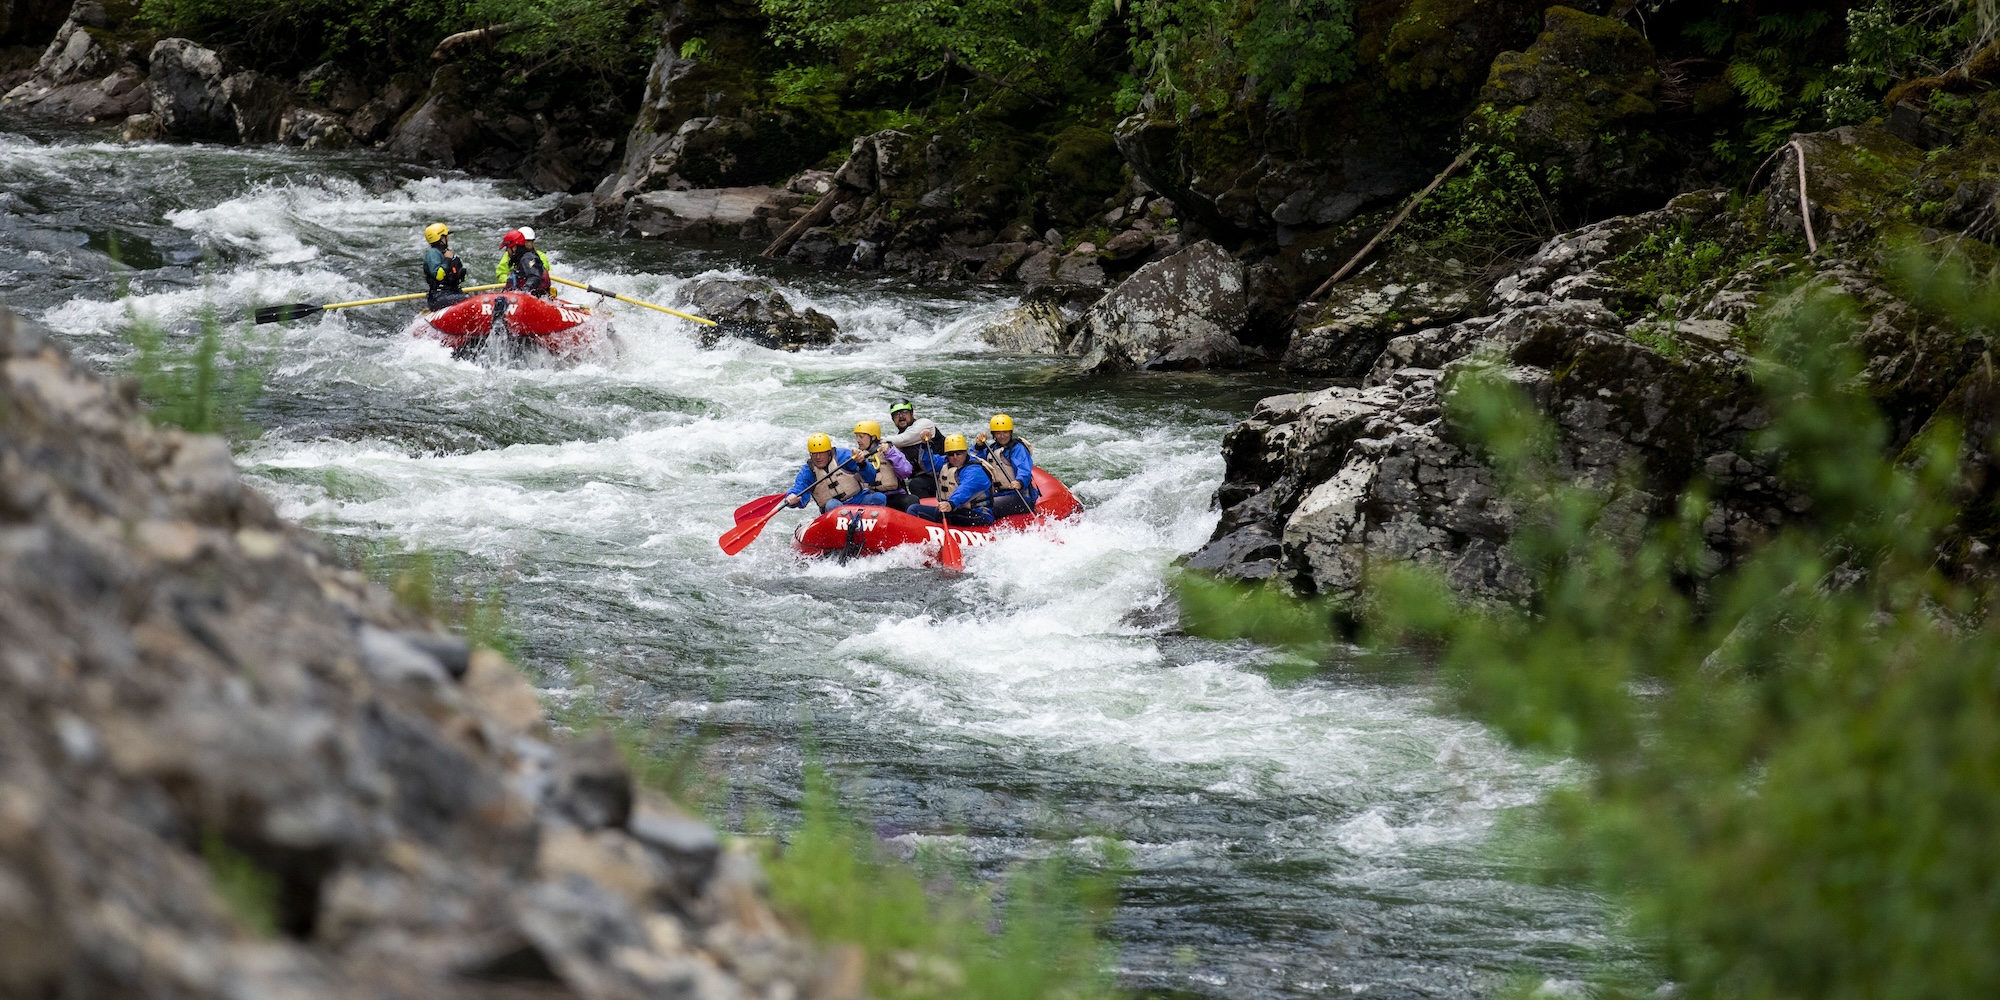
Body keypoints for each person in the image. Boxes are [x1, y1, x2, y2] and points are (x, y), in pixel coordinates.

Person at [908, 433, 996, 528]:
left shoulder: (975, 471)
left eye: (959, 453)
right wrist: (925, 446)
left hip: (978, 514)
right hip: (952, 509)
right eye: (951, 454)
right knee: (914, 509)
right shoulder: (946, 462)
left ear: (965, 452)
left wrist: (951, 504)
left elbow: (965, 489)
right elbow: (928, 464)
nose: (955, 457)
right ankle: (916, 534)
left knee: (947, 515)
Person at [785, 433, 884, 513]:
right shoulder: (809, 470)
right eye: (814, 454)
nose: (818, 457)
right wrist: (791, 498)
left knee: (879, 498)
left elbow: (871, 477)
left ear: (829, 452)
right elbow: (799, 488)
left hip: (858, 500)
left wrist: (862, 463)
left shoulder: (844, 456)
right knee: (832, 504)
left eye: (821, 453)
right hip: (834, 510)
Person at [973, 413, 1038, 517]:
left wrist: (1019, 482)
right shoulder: (991, 449)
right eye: (998, 433)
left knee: (987, 507)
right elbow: (972, 460)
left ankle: (985, 524)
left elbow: (1024, 469)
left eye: (1005, 432)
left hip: (1019, 496)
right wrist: (978, 446)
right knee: (973, 504)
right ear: (993, 434)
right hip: (999, 493)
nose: (1002, 436)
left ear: (1011, 432)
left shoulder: (1018, 448)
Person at [853, 420, 918, 511]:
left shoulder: (890, 451)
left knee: (912, 500)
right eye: (856, 437)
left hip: (893, 495)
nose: (858, 440)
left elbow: (906, 472)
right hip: (871, 497)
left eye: (861, 437)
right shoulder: (858, 456)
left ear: (873, 437)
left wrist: (890, 453)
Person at [882, 400, 942, 498]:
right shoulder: (895, 441)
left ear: (912, 413)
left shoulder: (925, 424)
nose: (901, 416)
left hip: (942, 474)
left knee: (915, 484)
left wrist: (878, 441)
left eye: (904, 412)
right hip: (922, 477)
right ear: (893, 419)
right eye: (897, 414)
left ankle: (927, 511)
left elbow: (904, 439)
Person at [421, 222, 470, 310]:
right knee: (465, 300)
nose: (448, 238)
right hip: (439, 296)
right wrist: (447, 260)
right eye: (446, 236)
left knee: (467, 299)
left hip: (454, 292)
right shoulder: (433, 254)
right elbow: (438, 276)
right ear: (440, 238)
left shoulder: (447, 253)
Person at [496, 227, 553, 298]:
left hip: (537, 298)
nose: (527, 244)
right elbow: (501, 274)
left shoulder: (528, 258)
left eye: (507, 249)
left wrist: (524, 291)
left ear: (514, 248)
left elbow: (534, 276)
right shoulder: (519, 259)